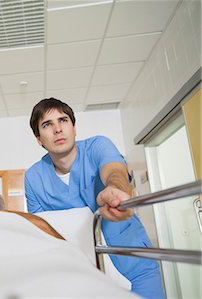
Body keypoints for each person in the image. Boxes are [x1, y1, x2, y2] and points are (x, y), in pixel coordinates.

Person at [24, 97, 164, 299]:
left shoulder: (98, 146)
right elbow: (40, 230)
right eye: (47, 125)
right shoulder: (34, 177)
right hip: (81, 274)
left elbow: (115, 169)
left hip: (134, 263)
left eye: (63, 120)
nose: (58, 129)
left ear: (74, 127)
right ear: (39, 139)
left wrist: (115, 188)